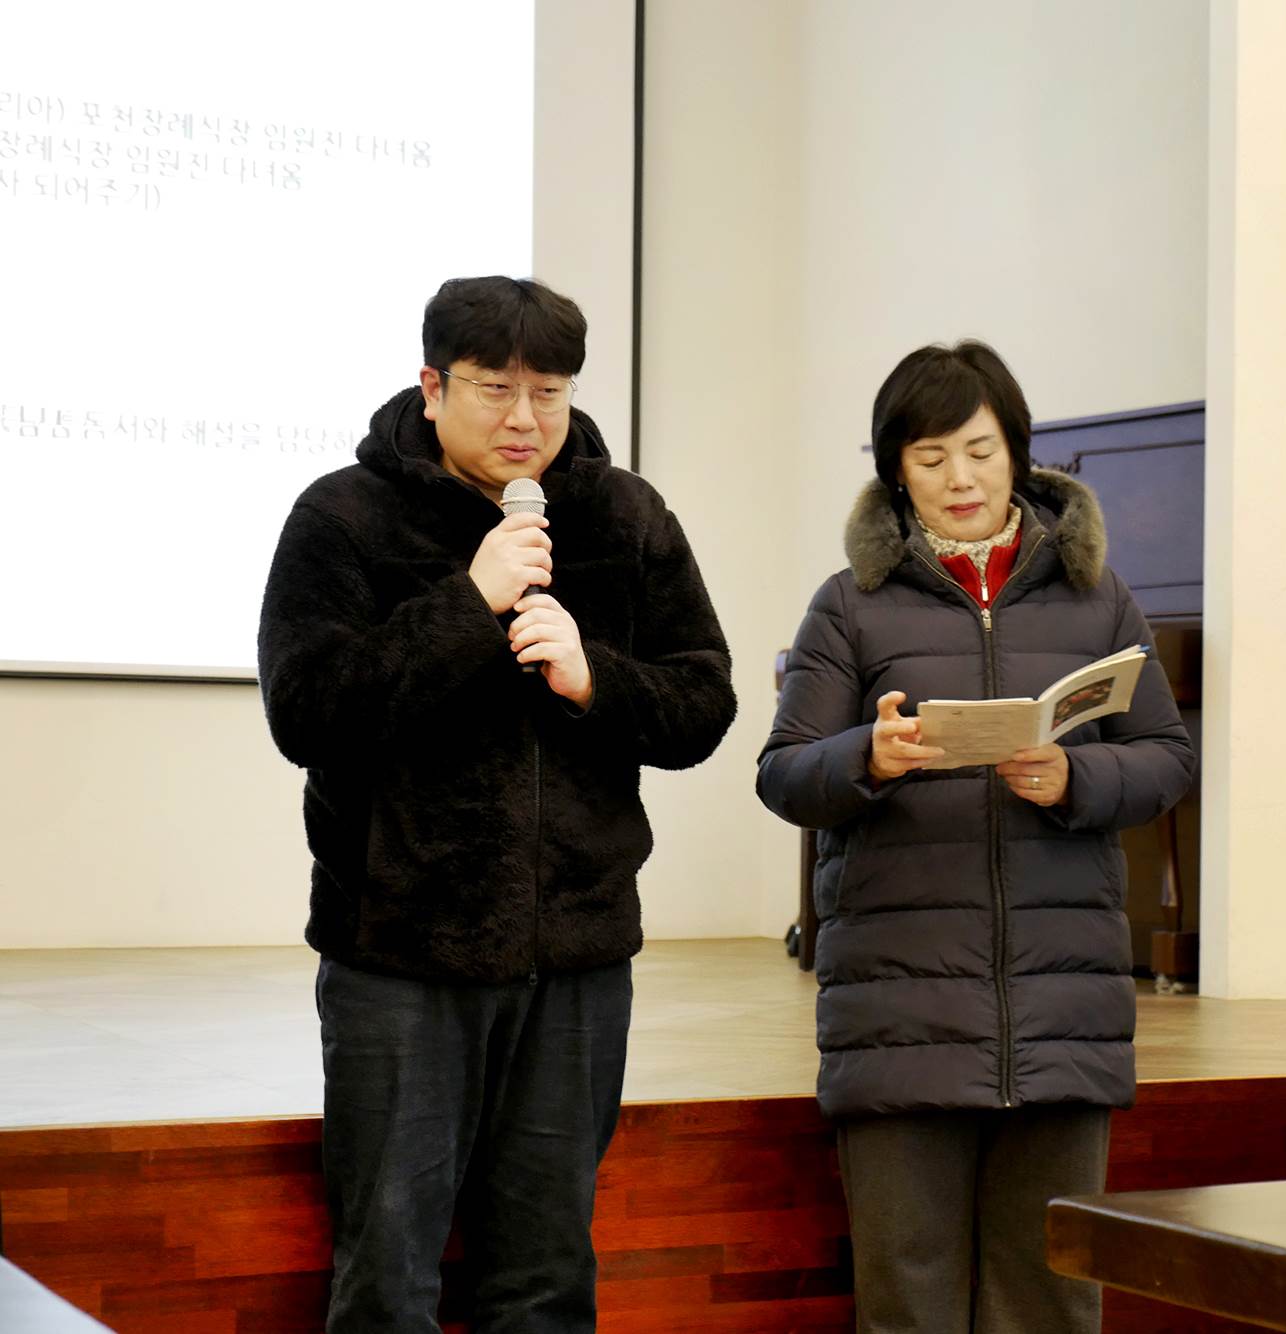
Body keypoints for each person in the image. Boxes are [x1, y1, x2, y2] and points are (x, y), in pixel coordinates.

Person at [257, 275, 736, 1332]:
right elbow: (306, 711)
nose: (526, 419)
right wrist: (468, 602)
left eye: (549, 392)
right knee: (388, 1278)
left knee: (546, 1280)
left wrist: (597, 681)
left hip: (577, 959)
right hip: (401, 956)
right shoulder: (343, 515)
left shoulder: (625, 515)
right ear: (432, 387)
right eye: (494, 388)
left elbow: (703, 704)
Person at [756, 341, 1195, 1333]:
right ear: (894, 471)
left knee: (1049, 1301)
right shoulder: (850, 604)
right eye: (930, 456)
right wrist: (869, 756)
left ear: (1017, 453)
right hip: (900, 1015)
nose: (959, 477)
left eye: (980, 450)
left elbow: (1167, 756)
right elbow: (784, 773)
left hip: (1060, 1011)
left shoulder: (1097, 596)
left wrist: (1075, 777)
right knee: (906, 1304)